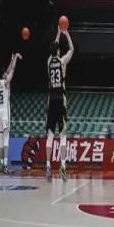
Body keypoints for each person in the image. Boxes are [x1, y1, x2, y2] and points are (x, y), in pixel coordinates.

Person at [45, 27, 74, 182]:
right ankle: (62, 166)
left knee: (50, 135)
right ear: (58, 50)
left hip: (51, 100)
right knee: (63, 135)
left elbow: (54, 46)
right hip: (60, 99)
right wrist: (66, 33)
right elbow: (72, 49)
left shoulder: (49, 62)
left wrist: (57, 33)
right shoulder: (62, 61)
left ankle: (48, 165)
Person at [0, 53, 22, 174]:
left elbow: (7, 70)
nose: (7, 74)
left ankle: (1, 163)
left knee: (1, 140)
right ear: (4, 75)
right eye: (5, 74)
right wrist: (15, 58)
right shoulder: (6, 82)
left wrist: (11, 60)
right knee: (6, 139)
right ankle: (6, 165)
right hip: (5, 114)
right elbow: (12, 70)